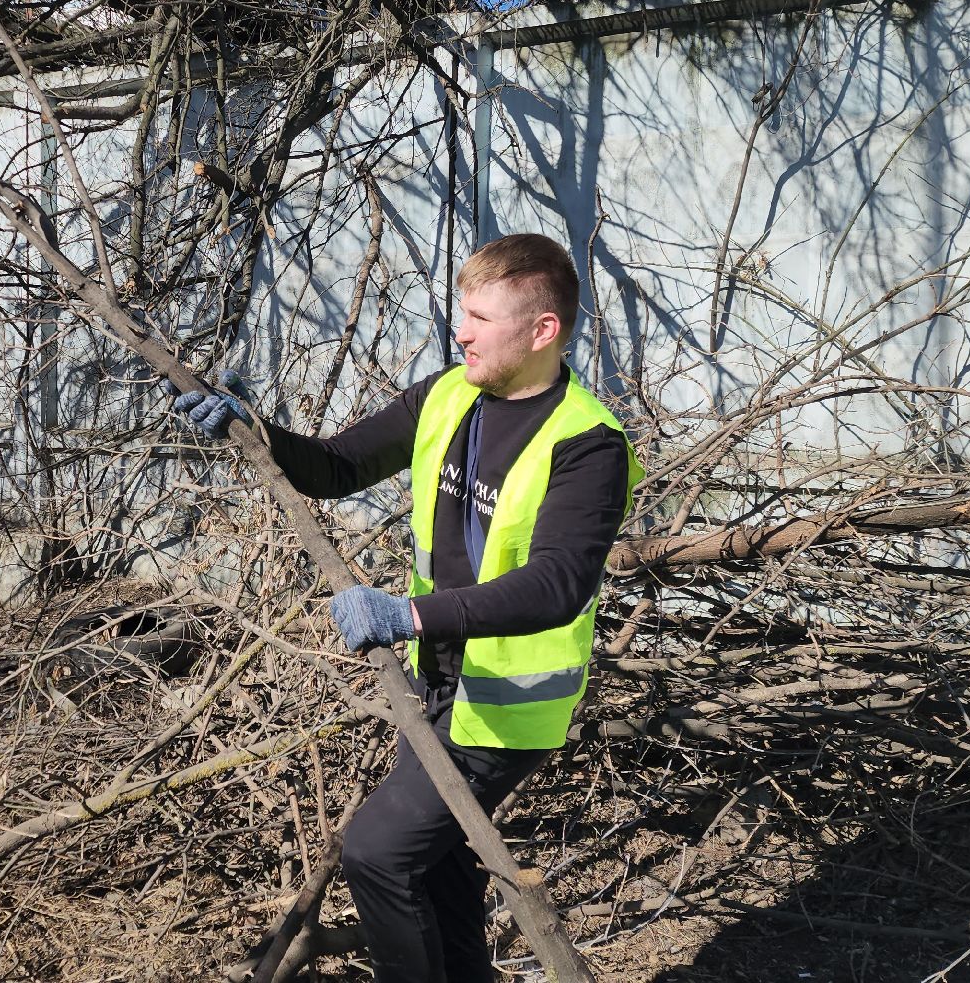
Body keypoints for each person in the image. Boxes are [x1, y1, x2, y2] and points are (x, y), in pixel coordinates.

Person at [172, 232, 641, 983]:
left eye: (481, 318)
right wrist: (252, 428)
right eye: (463, 312)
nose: (461, 332)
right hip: (437, 682)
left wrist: (409, 617)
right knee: (441, 871)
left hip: (507, 707)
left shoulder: (587, 443)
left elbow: (558, 585)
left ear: (542, 330)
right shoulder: (447, 395)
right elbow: (336, 467)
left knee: (380, 855)